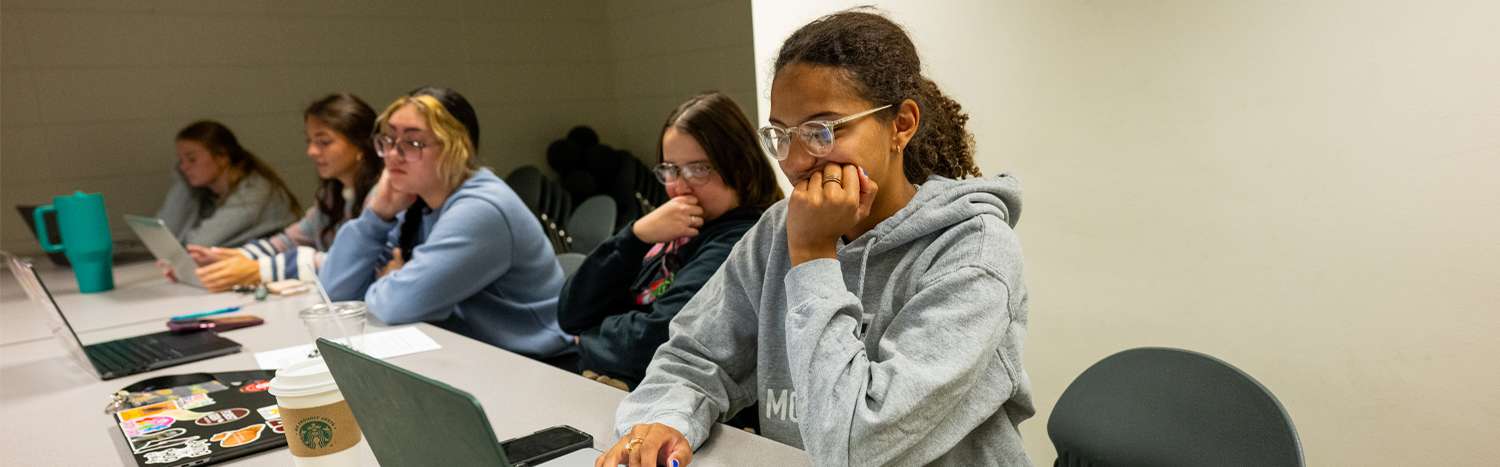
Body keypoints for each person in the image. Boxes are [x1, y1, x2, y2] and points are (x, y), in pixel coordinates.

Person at [598, 10, 1033, 467]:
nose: (798, 162)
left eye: (822, 131)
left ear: (901, 124)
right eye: (782, 136)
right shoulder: (777, 229)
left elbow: (855, 446)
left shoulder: (973, 253)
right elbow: (695, 357)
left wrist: (811, 258)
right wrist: (668, 419)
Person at [319, 87, 574, 363]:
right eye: (389, 139)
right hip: (479, 358)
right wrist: (377, 216)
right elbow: (335, 295)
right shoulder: (417, 204)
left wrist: (388, 279)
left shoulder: (481, 210)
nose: (393, 154)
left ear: (457, 149)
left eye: (413, 143)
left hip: (541, 366)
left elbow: (397, 304)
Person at [556, 92, 783, 391]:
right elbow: (571, 312)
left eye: (698, 169)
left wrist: (589, 338)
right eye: (671, 170)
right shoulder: (676, 227)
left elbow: (659, 339)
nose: (679, 187)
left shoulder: (741, 239)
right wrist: (635, 236)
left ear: (740, 171)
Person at [178, 94, 383, 292]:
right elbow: (291, 240)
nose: (311, 151)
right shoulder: (332, 193)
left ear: (361, 144)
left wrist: (260, 270)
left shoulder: (381, 197)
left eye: (324, 142)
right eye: (310, 141)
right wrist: (234, 257)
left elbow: (351, 261)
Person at [156, 121, 302, 248]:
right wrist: (185, 185)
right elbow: (163, 237)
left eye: (192, 159)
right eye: (180, 161)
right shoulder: (206, 192)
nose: (183, 167)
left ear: (222, 158)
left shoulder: (253, 191)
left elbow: (198, 244)